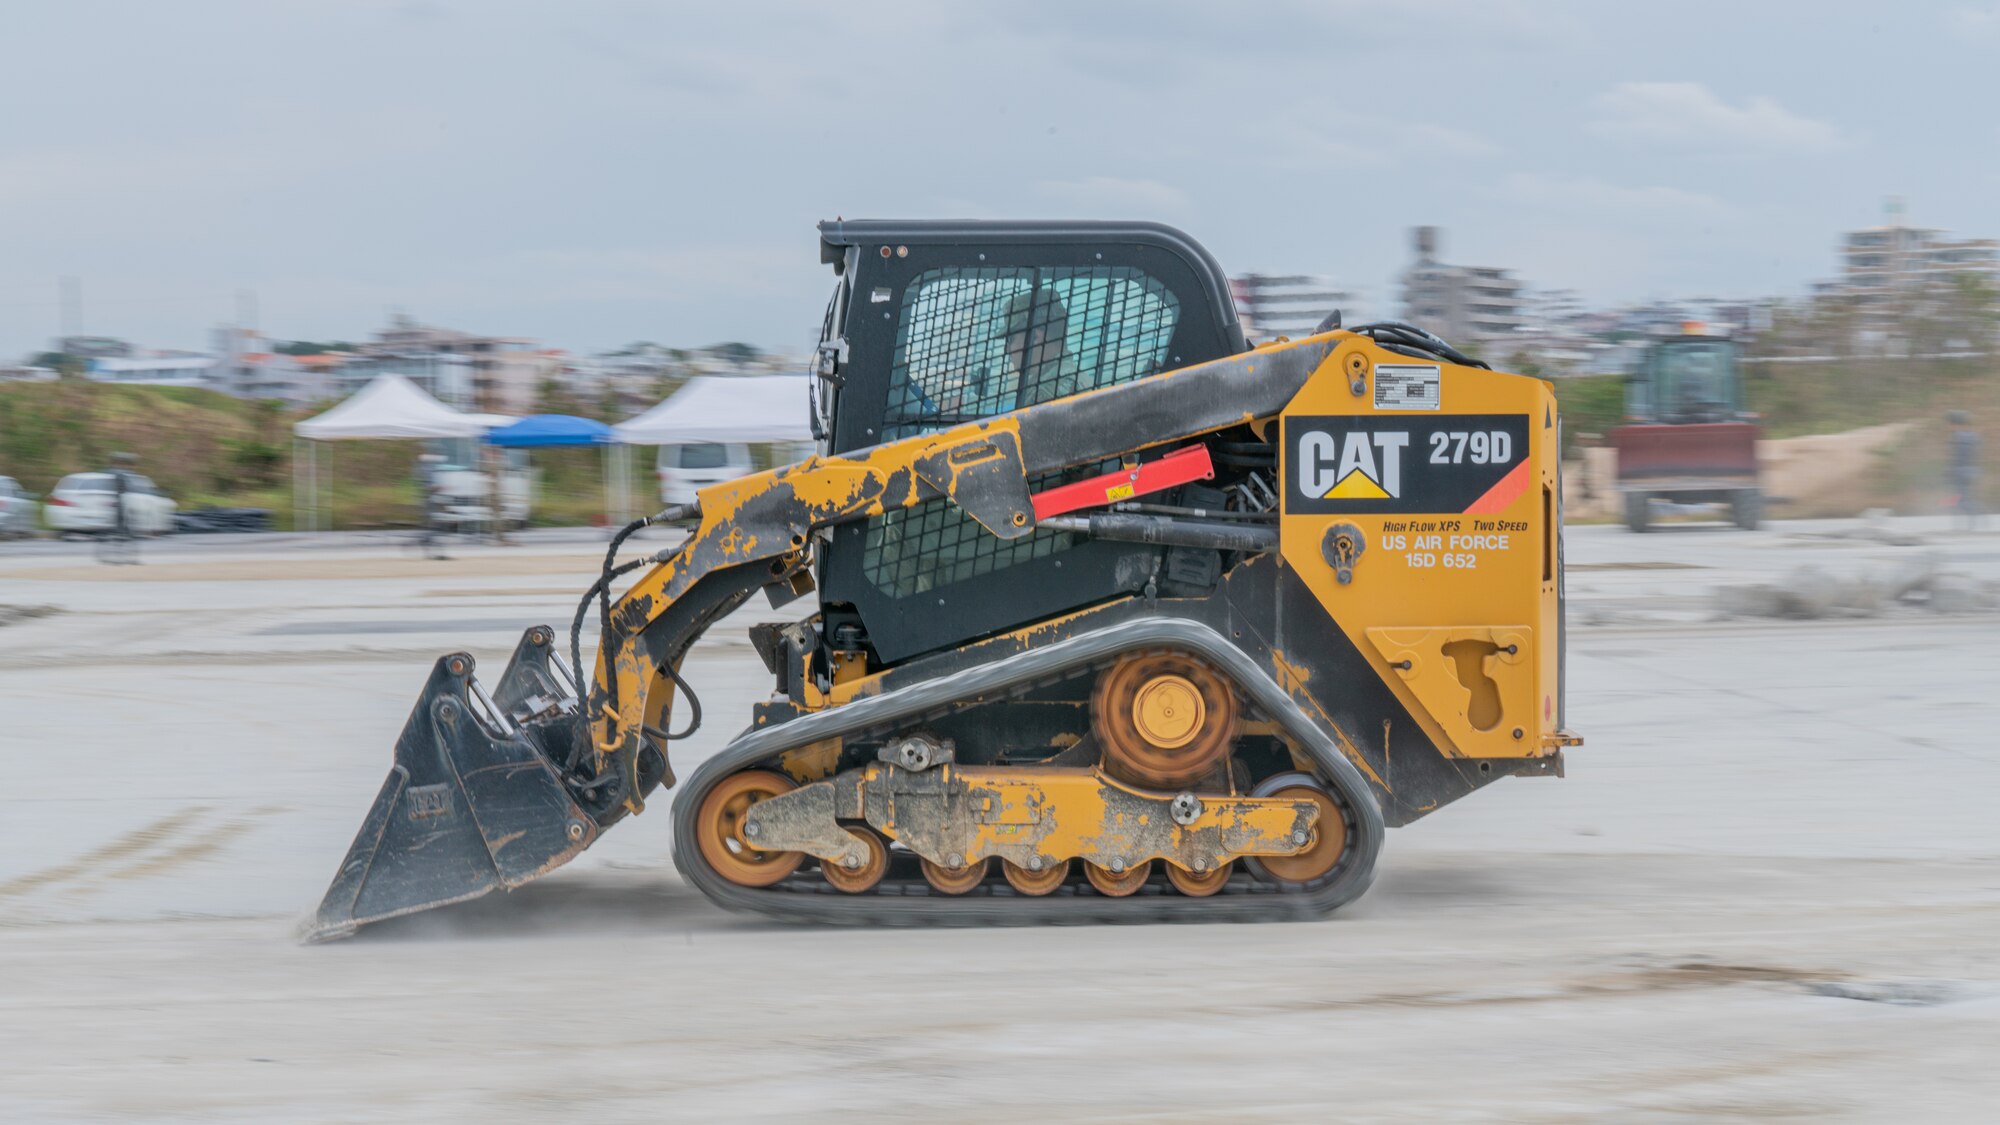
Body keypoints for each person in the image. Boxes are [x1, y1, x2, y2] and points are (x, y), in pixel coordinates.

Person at [1948, 410, 1982, 531]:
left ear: (1955, 423)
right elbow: (1977, 454)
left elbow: (1956, 457)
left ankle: (1977, 512)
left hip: (1960, 472)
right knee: (1965, 497)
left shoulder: (1956, 437)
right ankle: (1970, 522)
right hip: (1972, 471)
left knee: (1959, 499)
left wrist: (1950, 471)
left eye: (1951, 424)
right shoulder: (1975, 437)